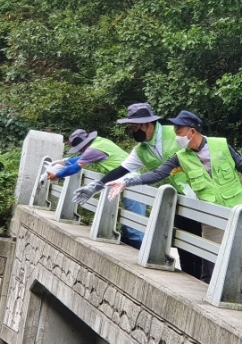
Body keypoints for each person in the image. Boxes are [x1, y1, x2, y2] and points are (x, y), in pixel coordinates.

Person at [105, 110, 242, 282]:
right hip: (211, 219)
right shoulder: (180, 157)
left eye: (179, 132)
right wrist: (127, 182)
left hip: (238, 214)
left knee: (241, 266)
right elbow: (158, 174)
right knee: (212, 269)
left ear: (192, 131)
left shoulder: (221, 145)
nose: (176, 137)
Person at [72, 103, 202, 278]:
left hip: (203, 194)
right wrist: (96, 186)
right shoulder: (142, 150)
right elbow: (121, 170)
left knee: (204, 248)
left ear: (148, 123)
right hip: (180, 198)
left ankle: (207, 281)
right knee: (185, 248)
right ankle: (191, 282)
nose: (133, 131)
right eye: (131, 127)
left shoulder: (175, 133)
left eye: (135, 126)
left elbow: (203, 147)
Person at [49, 128, 145, 248]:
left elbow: (75, 168)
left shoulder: (93, 150)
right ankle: (131, 244)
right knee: (129, 220)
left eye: (80, 148)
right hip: (128, 178)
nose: (80, 151)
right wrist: (63, 162)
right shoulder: (100, 142)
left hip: (131, 180)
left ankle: (137, 249)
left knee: (135, 222)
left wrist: (57, 175)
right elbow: (80, 158)